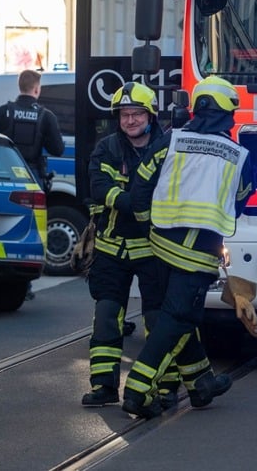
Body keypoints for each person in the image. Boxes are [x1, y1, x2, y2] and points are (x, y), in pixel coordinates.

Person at [121, 75, 255, 419]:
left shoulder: (170, 141)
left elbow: (140, 187)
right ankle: (137, 389)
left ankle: (201, 385)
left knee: (185, 316)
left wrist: (145, 224)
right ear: (228, 113)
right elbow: (239, 202)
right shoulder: (239, 156)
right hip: (198, 256)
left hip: (159, 244)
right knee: (178, 317)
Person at [80, 82, 184, 408]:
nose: (130, 120)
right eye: (124, 114)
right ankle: (104, 386)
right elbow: (101, 190)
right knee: (107, 316)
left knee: (156, 320)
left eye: (136, 113)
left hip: (155, 249)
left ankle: (165, 387)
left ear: (150, 115)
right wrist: (138, 204)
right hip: (112, 249)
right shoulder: (107, 148)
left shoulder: (168, 147)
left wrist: (132, 202)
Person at [0, 69, 64, 191]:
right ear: (36, 89)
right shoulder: (46, 116)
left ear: (20, 87)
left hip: (4, 173)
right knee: (33, 210)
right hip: (31, 174)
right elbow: (58, 150)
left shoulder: (3, 111)